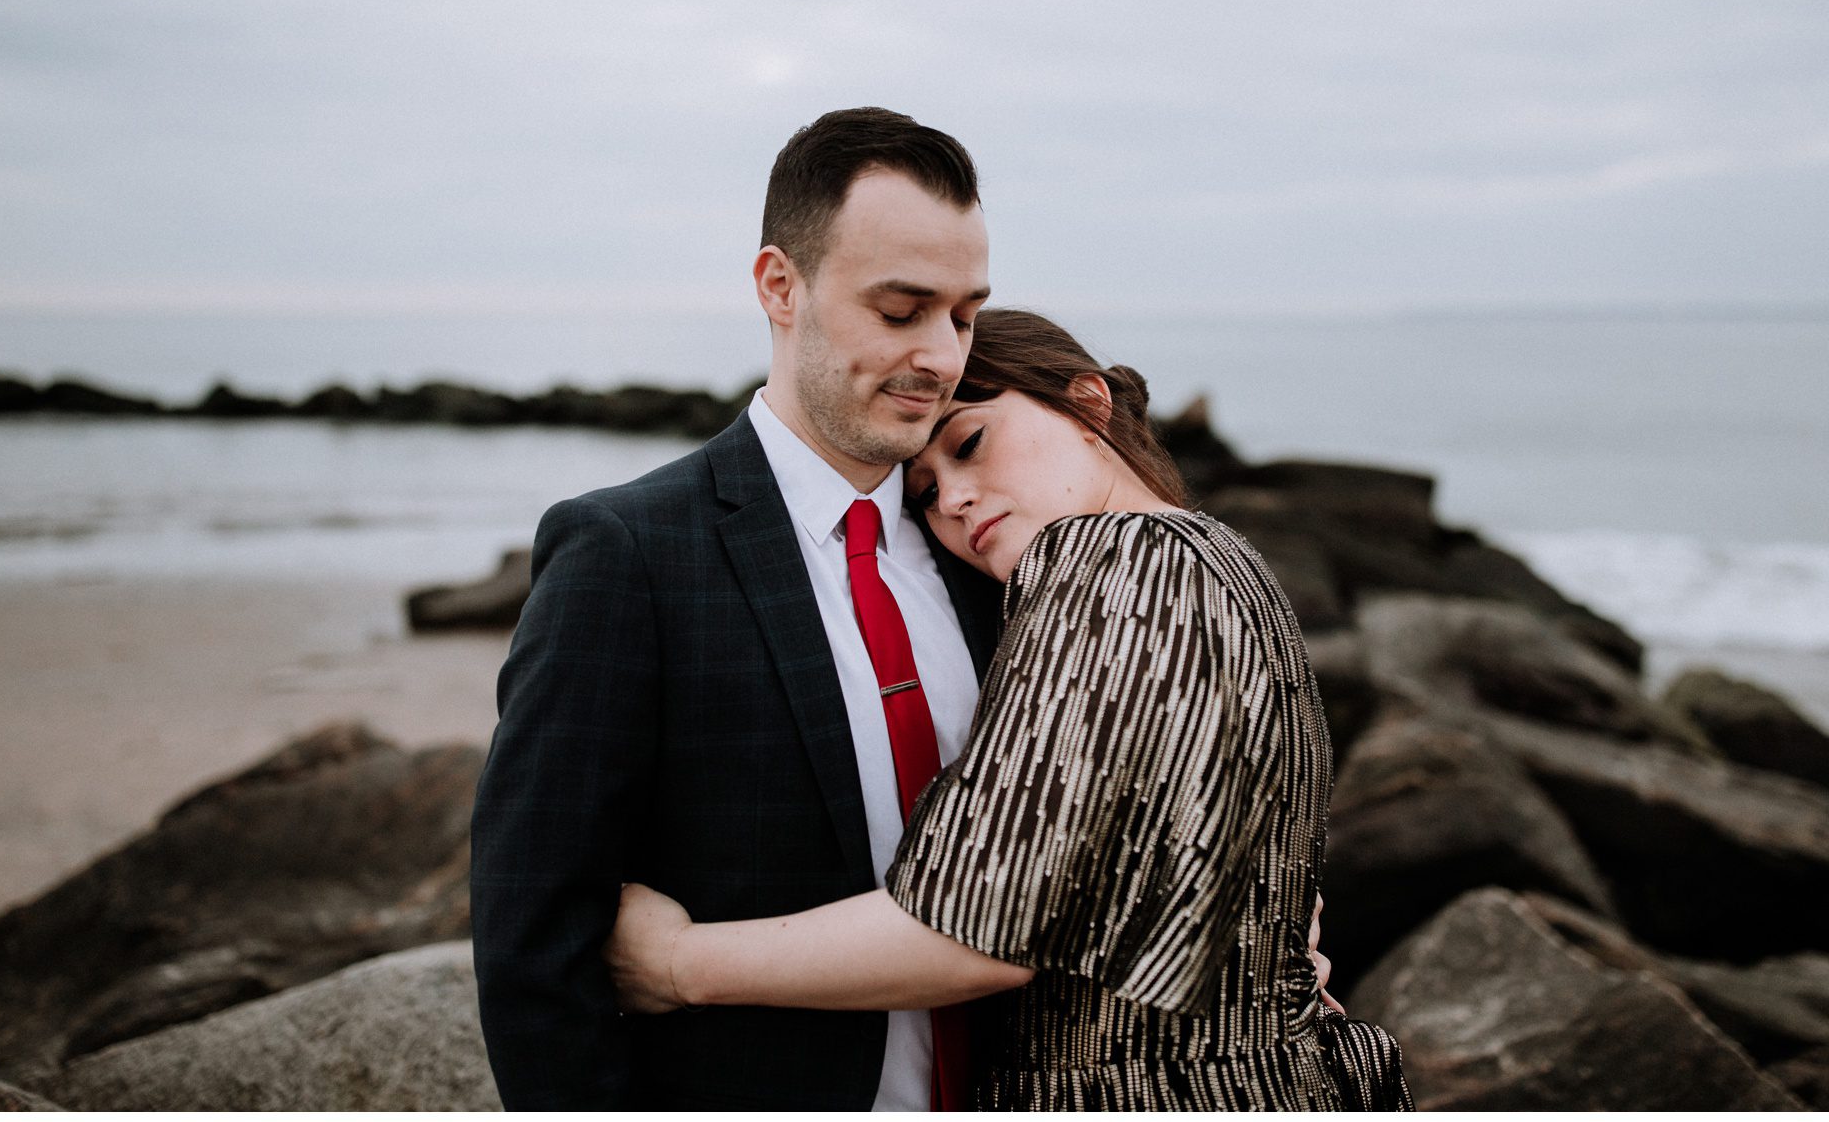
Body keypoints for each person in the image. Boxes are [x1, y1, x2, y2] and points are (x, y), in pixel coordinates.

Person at [603, 310, 1407, 1111]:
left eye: (971, 444)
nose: (952, 499)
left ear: (1090, 407)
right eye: (920, 496)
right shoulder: (1226, 561)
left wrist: (678, 963)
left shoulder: (1111, 562)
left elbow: (977, 929)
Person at [469, 107, 1007, 1110]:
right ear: (778, 286)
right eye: (900, 310)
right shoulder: (623, 554)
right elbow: (533, 945)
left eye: (965, 315)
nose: (941, 356)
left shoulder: (990, 554)